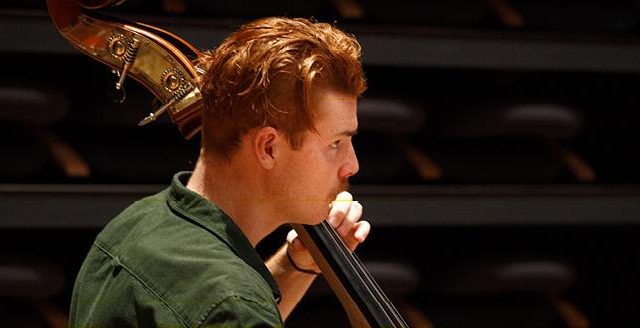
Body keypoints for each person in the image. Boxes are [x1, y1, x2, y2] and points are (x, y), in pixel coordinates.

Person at [69, 16, 369, 327]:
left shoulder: (134, 224)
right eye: (336, 143)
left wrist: (298, 264)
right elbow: (227, 310)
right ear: (268, 148)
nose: (353, 164)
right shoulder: (232, 306)